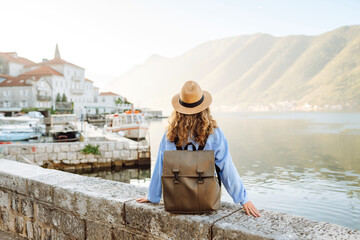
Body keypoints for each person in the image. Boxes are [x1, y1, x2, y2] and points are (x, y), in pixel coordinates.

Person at [136, 81, 261, 218]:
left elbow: (160, 167)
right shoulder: (214, 133)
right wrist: (243, 199)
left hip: (176, 201)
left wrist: (153, 196)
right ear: (204, 108)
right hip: (206, 201)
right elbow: (226, 168)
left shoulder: (169, 135)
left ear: (179, 109)